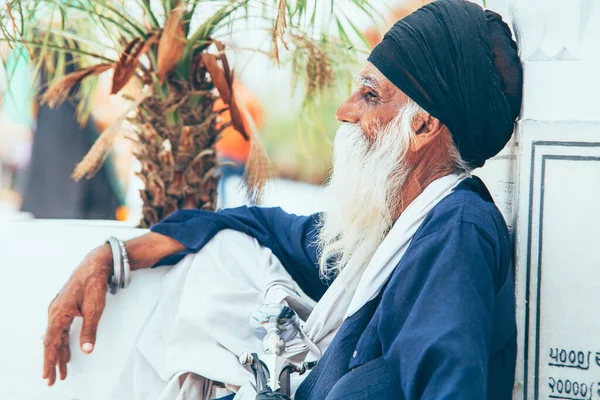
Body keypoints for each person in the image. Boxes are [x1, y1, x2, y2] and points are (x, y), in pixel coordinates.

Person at [42, 1, 523, 399]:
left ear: (422, 127)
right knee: (227, 255)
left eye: (370, 95)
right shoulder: (394, 229)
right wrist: (113, 256)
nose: (345, 110)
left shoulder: (457, 230)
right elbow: (267, 227)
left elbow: (450, 386)